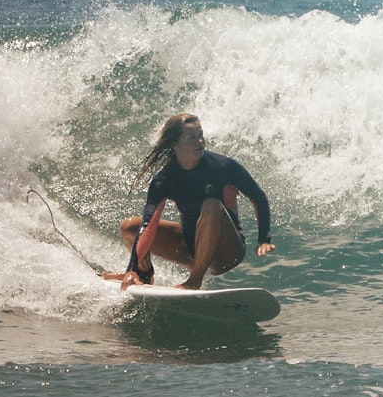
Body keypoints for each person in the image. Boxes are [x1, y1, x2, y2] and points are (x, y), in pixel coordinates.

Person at [103, 113, 275, 290]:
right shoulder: (164, 180)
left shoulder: (222, 167)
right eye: (192, 138)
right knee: (130, 227)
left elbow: (258, 197)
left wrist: (264, 239)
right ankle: (142, 273)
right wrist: (132, 268)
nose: (200, 141)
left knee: (212, 205)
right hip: (190, 247)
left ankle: (194, 280)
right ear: (174, 144)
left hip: (226, 253)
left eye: (200, 135)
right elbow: (150, 225)